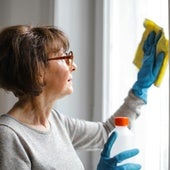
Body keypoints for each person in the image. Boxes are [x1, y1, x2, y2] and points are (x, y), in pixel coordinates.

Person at [0, 25, 164, 170]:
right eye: (65, 58)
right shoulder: (9, 136)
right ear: (37, 71)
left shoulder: (56, 121)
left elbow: (106, 132)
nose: (74, 66)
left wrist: (141, 87)